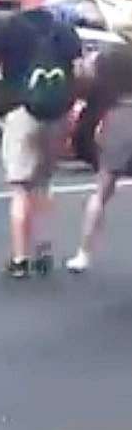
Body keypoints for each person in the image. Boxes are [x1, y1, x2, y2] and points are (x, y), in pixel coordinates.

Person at [0, 0, 81, 278]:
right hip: (55, 113)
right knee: (43, 184)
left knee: (20, 188)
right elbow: (79, 71)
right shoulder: (63, 29)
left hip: (20, 110)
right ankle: (44, 251)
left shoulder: (9, 28)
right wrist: (73, 106)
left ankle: (20, 258)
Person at [67, 45, 132, 273]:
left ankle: (83, 254)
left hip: (116, 119)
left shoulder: (107, 57)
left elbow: (84, 84)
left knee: (102, 190)